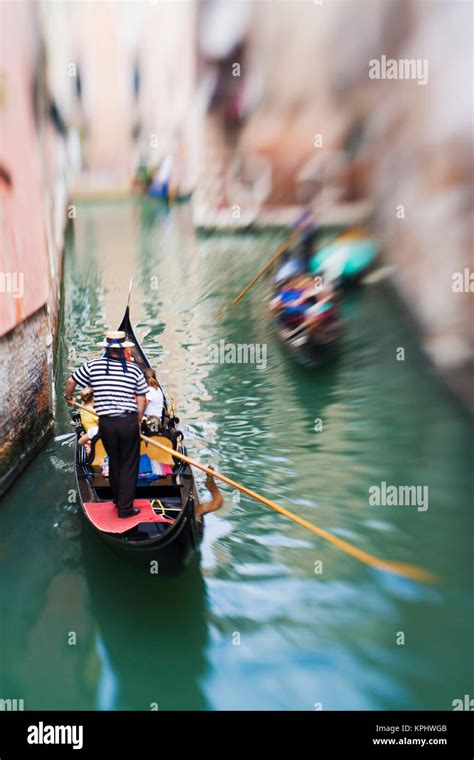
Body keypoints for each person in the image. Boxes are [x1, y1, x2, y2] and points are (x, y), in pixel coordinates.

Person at [64, 330, 148, 519]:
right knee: (129, 465)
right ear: (124, 349)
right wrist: (138, 420)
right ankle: (125, 509)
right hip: (127, 422)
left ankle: (119, 501)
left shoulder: (93, 366)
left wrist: (68, 397)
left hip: (107, 424)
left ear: (108, 349)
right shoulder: (134, 370)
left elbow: (71, 380)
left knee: (116, 462)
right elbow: (142, 397)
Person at [77, 388, 98, 455]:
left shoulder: (82, 407)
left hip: (88, 438)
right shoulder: (94, 413)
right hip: (96, 438)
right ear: (93, 397)